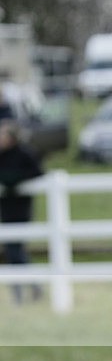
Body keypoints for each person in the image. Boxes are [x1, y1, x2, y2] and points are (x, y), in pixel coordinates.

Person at [0, 120, 43, 302]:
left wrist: (13, 181)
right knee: (13, 251)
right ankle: (27, 289)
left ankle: (25, 289)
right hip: (5, 208)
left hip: (21, 208)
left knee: (16, 251)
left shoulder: (25, 154)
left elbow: (38, 172)